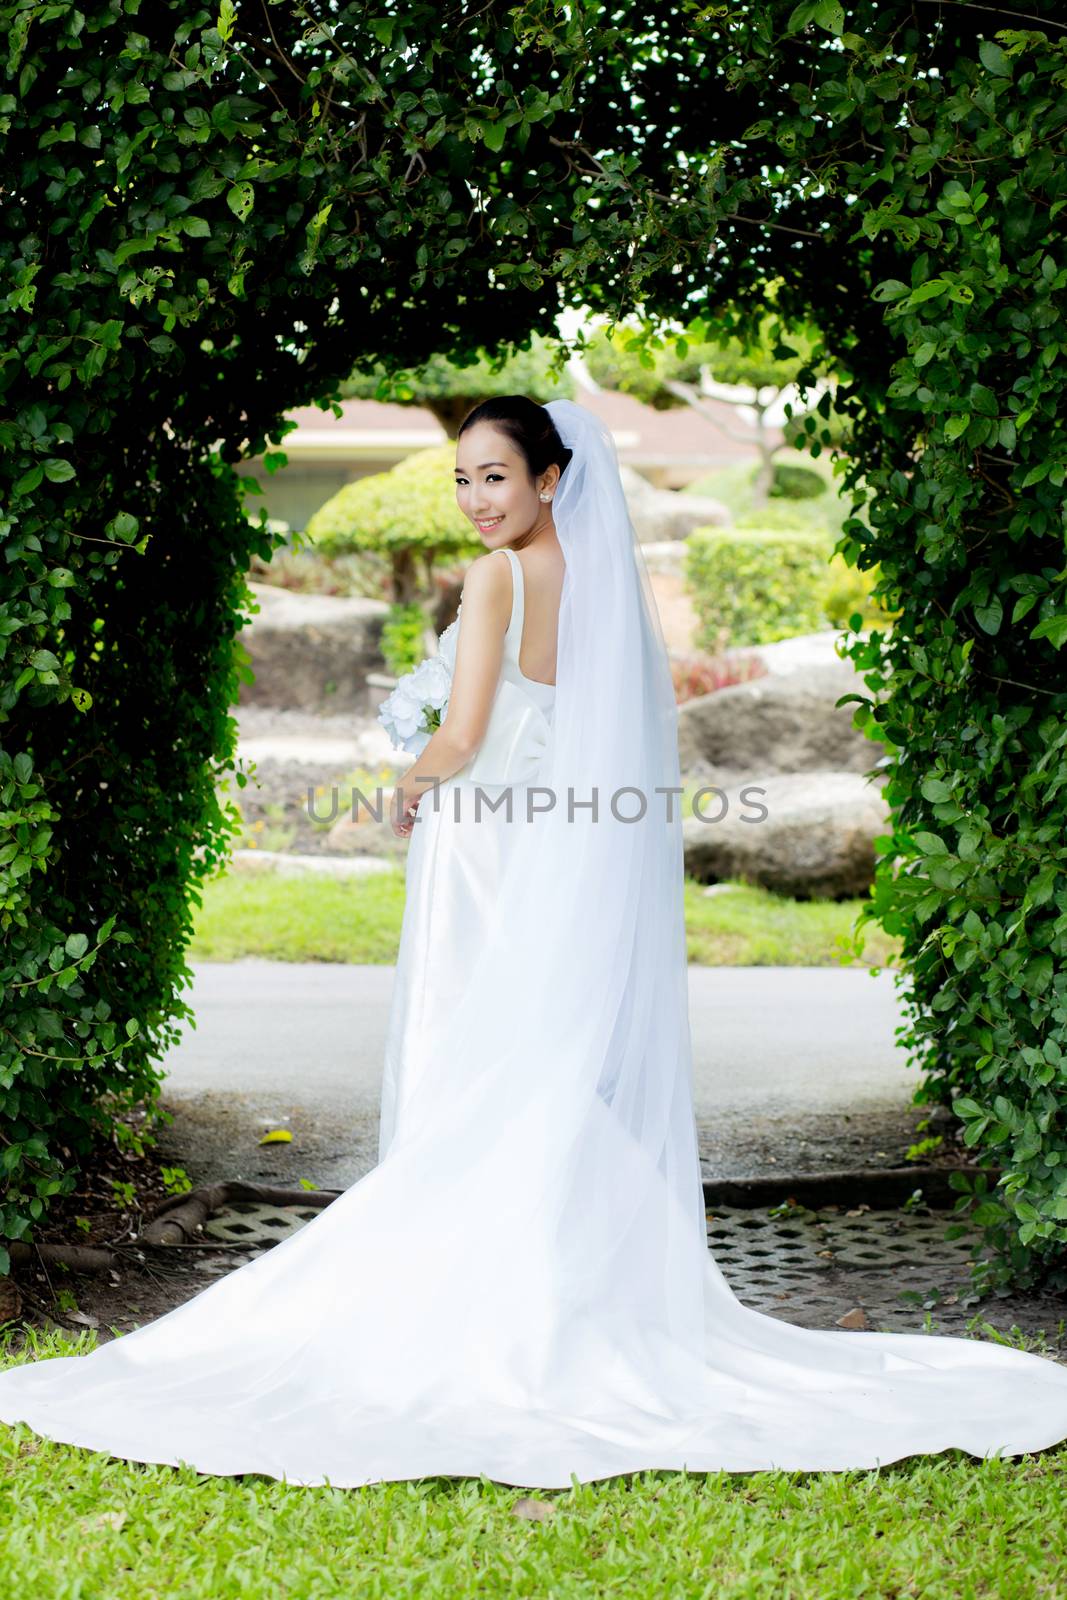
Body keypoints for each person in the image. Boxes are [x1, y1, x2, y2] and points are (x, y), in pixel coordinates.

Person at [0, 396, 1066, 1487]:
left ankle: (473, 1297)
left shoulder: (498, 579)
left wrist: (407, 778)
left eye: (495, 477)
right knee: (538, 1067)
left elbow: (463, 735)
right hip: (547, 850)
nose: (474, 500)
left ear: (550, 479)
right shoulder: (597, 581)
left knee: (473, 1064)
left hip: (478, 847)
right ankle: (558, 1290)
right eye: (462, 478)